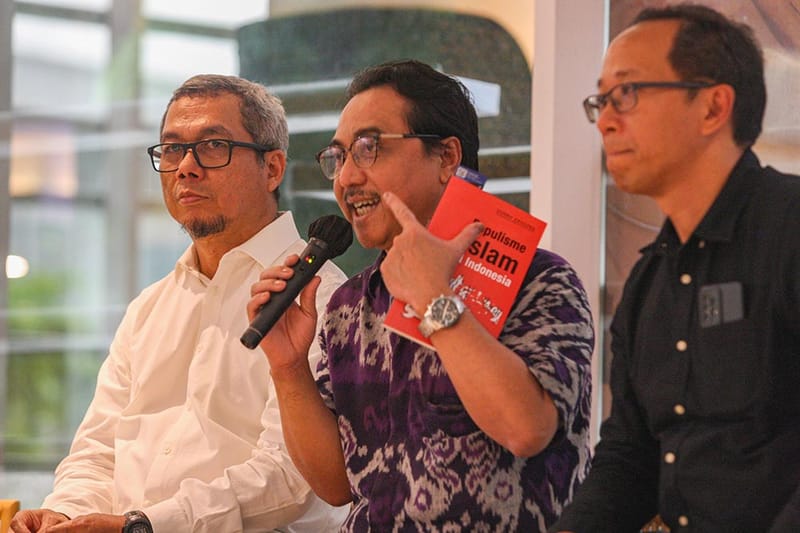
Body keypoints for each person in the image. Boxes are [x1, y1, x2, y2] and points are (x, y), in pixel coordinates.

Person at [247, 59, 594, 532]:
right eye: (339, 157)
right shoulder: (348, 305)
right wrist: (288, 368)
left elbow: (526, 429)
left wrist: (434, 298)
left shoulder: (541, 280)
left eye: (368, 149)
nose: (346, 179)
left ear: (447, 157)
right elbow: (337, 485)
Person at [11, 74, 348, 533]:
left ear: (272, 168)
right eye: (172, 149)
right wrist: (66, 511)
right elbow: (98, 451)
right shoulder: (149, 307)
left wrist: (143, 524)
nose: (186, 167)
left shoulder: (322, 297)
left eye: (213, 146)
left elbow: (290, 477)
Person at [552, 4, 800, 532]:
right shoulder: (649, 282)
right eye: (601, 100)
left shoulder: (789, 229)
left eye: (627, 93)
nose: (606, 120)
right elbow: (630, 457)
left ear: (713, 107)